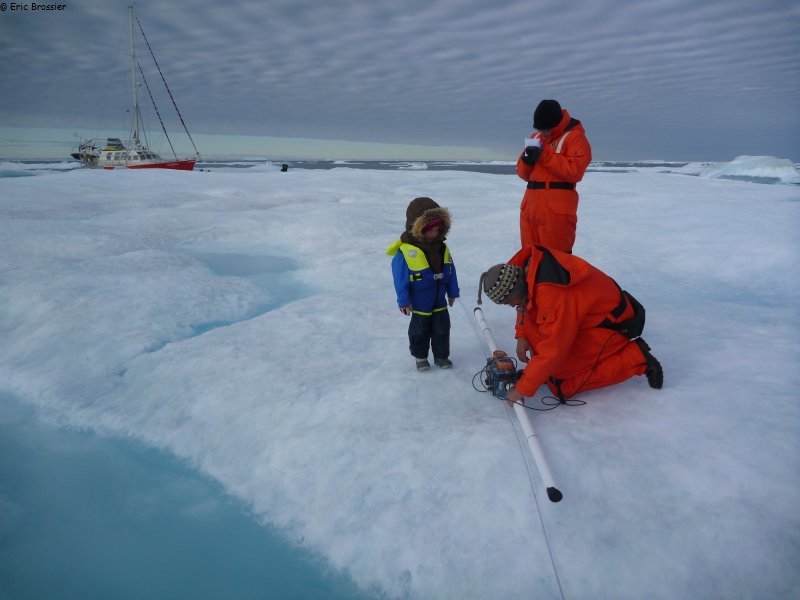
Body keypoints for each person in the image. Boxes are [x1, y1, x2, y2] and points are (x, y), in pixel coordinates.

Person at [477, 244, 662, 403]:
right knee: (538, 341)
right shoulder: (520, 271)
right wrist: (522, 333)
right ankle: (541, 374)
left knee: (562, 385)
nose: (512, 306)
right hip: (585, 316)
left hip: (613, 325)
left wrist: (523, 388)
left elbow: (553, 350)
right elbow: (527, 306)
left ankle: (637, 357)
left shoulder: (553, 295)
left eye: (511, 302)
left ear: (516, 290)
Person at [387, 197, 460, 371]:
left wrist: (452, 292)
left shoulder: (442, 248)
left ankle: (442, 356)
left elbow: (451, 270)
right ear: (418, 229)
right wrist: (403, 300)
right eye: (430, 230)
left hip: (440, 301)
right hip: (420, 302)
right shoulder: (405, 252)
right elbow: (400, 279)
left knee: (442, 329)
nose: (435, 233)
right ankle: (420, 357)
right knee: (419, 331)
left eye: (437, 229)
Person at [517, 99, 592, 253]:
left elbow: (575, 171)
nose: (542, 133)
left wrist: (543, 156)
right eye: (540, 129)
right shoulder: (536, 137)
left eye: (546, 129)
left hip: (556, 212)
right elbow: (523, 173)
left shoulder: (575, 138)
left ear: (557, 124)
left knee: (556, 260)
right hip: (530, 208)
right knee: (529, 256)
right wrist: (527, 161)